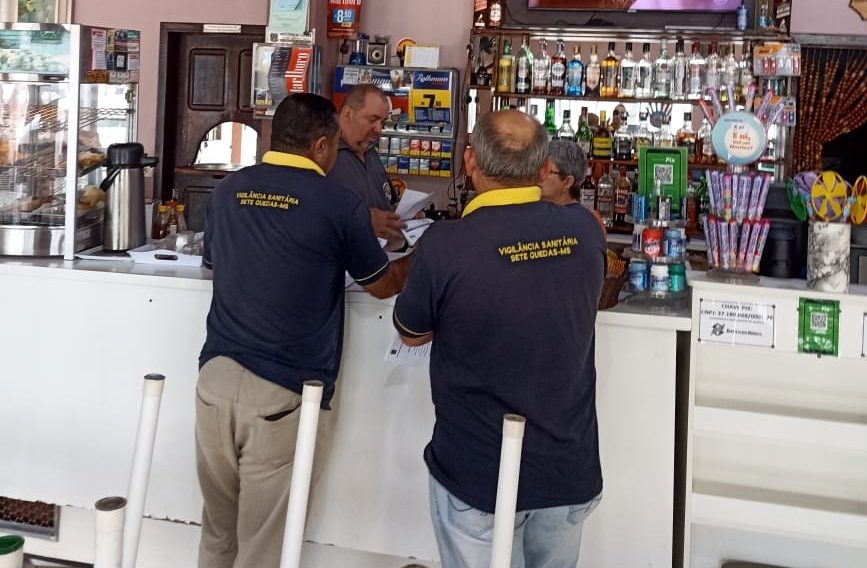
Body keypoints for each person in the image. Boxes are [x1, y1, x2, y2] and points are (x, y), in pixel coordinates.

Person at [196, 93, 410, 568]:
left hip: (214, 382)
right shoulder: (338, 203)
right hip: (282, 393)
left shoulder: (229, 190)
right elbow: (381, 285)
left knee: (217, 532)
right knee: (262, 546)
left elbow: (213, 264)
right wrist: (425, 257)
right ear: (321, 146)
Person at [392, 110, 606, 568]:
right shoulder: (586, 231)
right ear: (545, 168)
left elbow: (411, 334)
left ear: (470, 162)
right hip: (566, 468)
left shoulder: (446, 245)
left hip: (478, 473)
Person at [328, 83, 405, 241]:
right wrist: (362, 221)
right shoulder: (325, 154)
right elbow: (310, 213)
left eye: (382, 122)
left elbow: (387, 202)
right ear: (348, 114)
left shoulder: (371, 154)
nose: (379, 129)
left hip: (383, 252)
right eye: (372, 120)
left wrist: (405, 215)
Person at [541, 139, 608, 235]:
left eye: (546, 172)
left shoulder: (588, 224)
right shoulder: (535, 213)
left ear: (568, 182)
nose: (538, 176)